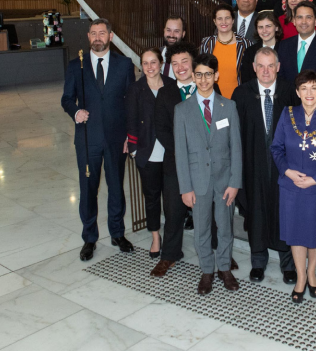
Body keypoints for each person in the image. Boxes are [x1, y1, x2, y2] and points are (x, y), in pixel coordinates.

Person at [60, 19, 136, 261]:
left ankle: (117, 233)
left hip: (116, 138)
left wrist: (129, 136)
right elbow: (66, 98)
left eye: (102, 33)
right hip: (87, 138)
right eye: (93, 33)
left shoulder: (124, 65)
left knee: (116, 187)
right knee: (88, 189)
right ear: (88, 36)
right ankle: (89, 238)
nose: (97, 37)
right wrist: (75, 111)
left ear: (111, 37)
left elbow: (131, 102)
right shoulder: (76, 66)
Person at [271, 70, 316, 303]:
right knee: (295, 234)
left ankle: (312, 271)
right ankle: (301, 276)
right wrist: (288, 171)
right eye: (304, 88)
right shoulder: (287, 114)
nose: (309, 93)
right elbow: (276, 148)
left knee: (315, 233)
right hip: (291, 186)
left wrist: (315, 179)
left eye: (313, 88)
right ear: (297, 92)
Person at [173, 53, 243, 295]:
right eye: (199, 75)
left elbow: (236, 148)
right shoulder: (182, 110)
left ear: (217, 76)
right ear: (193, 76)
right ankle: (206, 271)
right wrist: (185, 188)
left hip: (224, 181)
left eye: (208, 75)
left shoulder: (229, 106)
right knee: (201, 228)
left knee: (224, 227)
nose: (203, 80)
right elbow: (180, 153)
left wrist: (235, 182)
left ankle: (224, 268)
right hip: (197, 182)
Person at [233, 47, 299, 284]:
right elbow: (235, 135)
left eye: (270, 65)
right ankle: (258, 262)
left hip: (285, 168)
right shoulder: (241, 94)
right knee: (257, 213)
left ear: (278, 67)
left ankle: (288, 264)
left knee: (284, 214)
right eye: (261, 66)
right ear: (253, 68)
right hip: (253, 165)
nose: (265, 70)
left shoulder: (291, 91)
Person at [126, 48, 171, 261]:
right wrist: (134, 151)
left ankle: (172, 237)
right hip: (147, 153)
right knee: (152, 198)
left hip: (170, 152)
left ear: (161, 63)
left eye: (154, 62)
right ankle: (155, 236)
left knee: (172, 198)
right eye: (145, 63)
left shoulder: (171, 85)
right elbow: (132, 121)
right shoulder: (136, 89)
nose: (150, 67)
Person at [278, 2, 316, 109]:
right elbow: (281, 82)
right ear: (294, 21)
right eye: (300, 17)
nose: (304, 22)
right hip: (289, 110)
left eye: (308, 17)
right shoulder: (284, 46)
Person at [198, 5, 250, 99]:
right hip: (211, 99)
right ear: (214, 21)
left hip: (239, 99)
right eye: (219, 18)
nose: (224, 22)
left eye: (227, 18)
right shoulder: (206, 43)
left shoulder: (245, 44)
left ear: (233, 20)